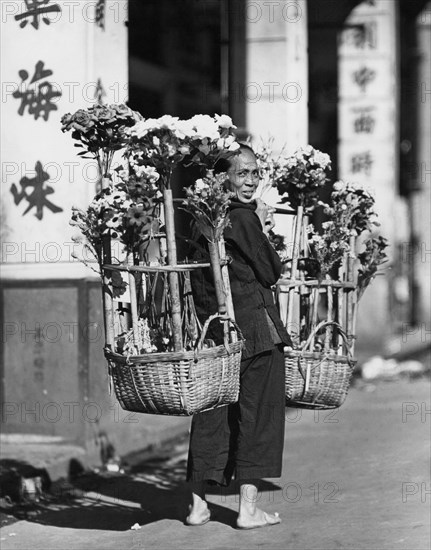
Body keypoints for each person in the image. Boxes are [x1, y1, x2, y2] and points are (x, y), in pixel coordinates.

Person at [185, 144, 292, 529]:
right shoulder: (242, 217)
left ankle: (198, 506)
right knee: (258, 414)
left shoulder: (200, 218)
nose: (251, 181)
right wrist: (262, 222)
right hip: (256, 332)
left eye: (255, 173)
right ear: (222, 178)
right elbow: (271, 270)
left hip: (216, 333)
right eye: (243, 172)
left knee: (213, 414)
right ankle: (248, 510)